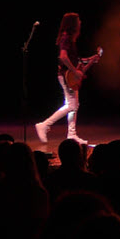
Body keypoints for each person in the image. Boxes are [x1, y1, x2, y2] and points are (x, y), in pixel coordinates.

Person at [35, 13, 98, 145]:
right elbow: (63, 57)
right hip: (66, 76)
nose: (80, 22)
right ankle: (45, 124)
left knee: (74, 105)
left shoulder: (70, 39)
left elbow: (75, 60)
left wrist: (90, 59)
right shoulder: (66, 38)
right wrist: (75, 71)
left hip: (69, 76)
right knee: (71, 105)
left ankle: (72, 134)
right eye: (78, 20)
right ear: (73, 24)